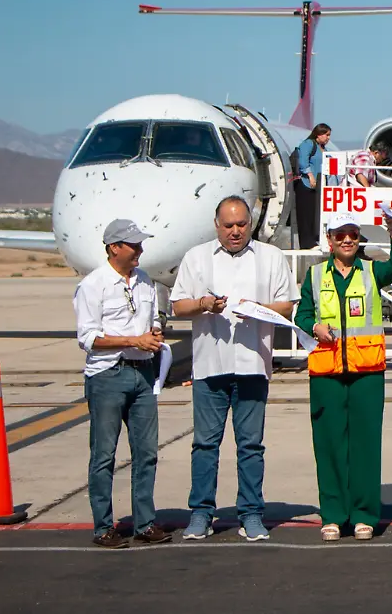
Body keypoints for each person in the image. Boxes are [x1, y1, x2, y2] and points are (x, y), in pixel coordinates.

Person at [170, 196, 301, 542]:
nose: (235, 231)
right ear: (217, 225)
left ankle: (252, 513)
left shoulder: (270, 258)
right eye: (228, 225)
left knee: (251, 445)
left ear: (251, 223)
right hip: (209, 367)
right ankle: (201, 513)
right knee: (205, 444)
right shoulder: (196, 258)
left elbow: (287, 305)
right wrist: (203, 304)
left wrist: (259, 308)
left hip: (252, 366)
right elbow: (177, 305)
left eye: (241, 224)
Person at [294, 211, 392, 541]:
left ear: (359, 239)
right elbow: (302, 314)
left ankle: (363, 515)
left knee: (365, 446)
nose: (347, 239)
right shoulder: (315, 276)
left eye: (353, 234)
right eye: (340, 234)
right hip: (327, 372)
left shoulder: (372, 271)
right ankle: (332, 515)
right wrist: (313, 326)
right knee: (329, 444)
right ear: (329, 240)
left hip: (367, 372)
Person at [73, 219, 171, 548]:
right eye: (134, 245)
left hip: (143, 374)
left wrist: (154, 335)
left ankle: (145, 522)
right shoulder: (93, 285)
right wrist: (133, 340)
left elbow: (153, 319)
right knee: (104, 454)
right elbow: (88, 338)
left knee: (146, 452)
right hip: (107, 375)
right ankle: (103, 526)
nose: (140, 250)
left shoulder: (145, 282)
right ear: (114, 247)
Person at [293, 124, 331, 249]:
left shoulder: (323, 148)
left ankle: (314, 239)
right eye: (326, 135)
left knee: (314, 213)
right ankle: (306, 242)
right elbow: (303, 160)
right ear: (318, 134)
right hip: (306, 184)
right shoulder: (308, 144)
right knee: (305, 214)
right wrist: (310, 175)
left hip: (318, 185)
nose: (328, 138)